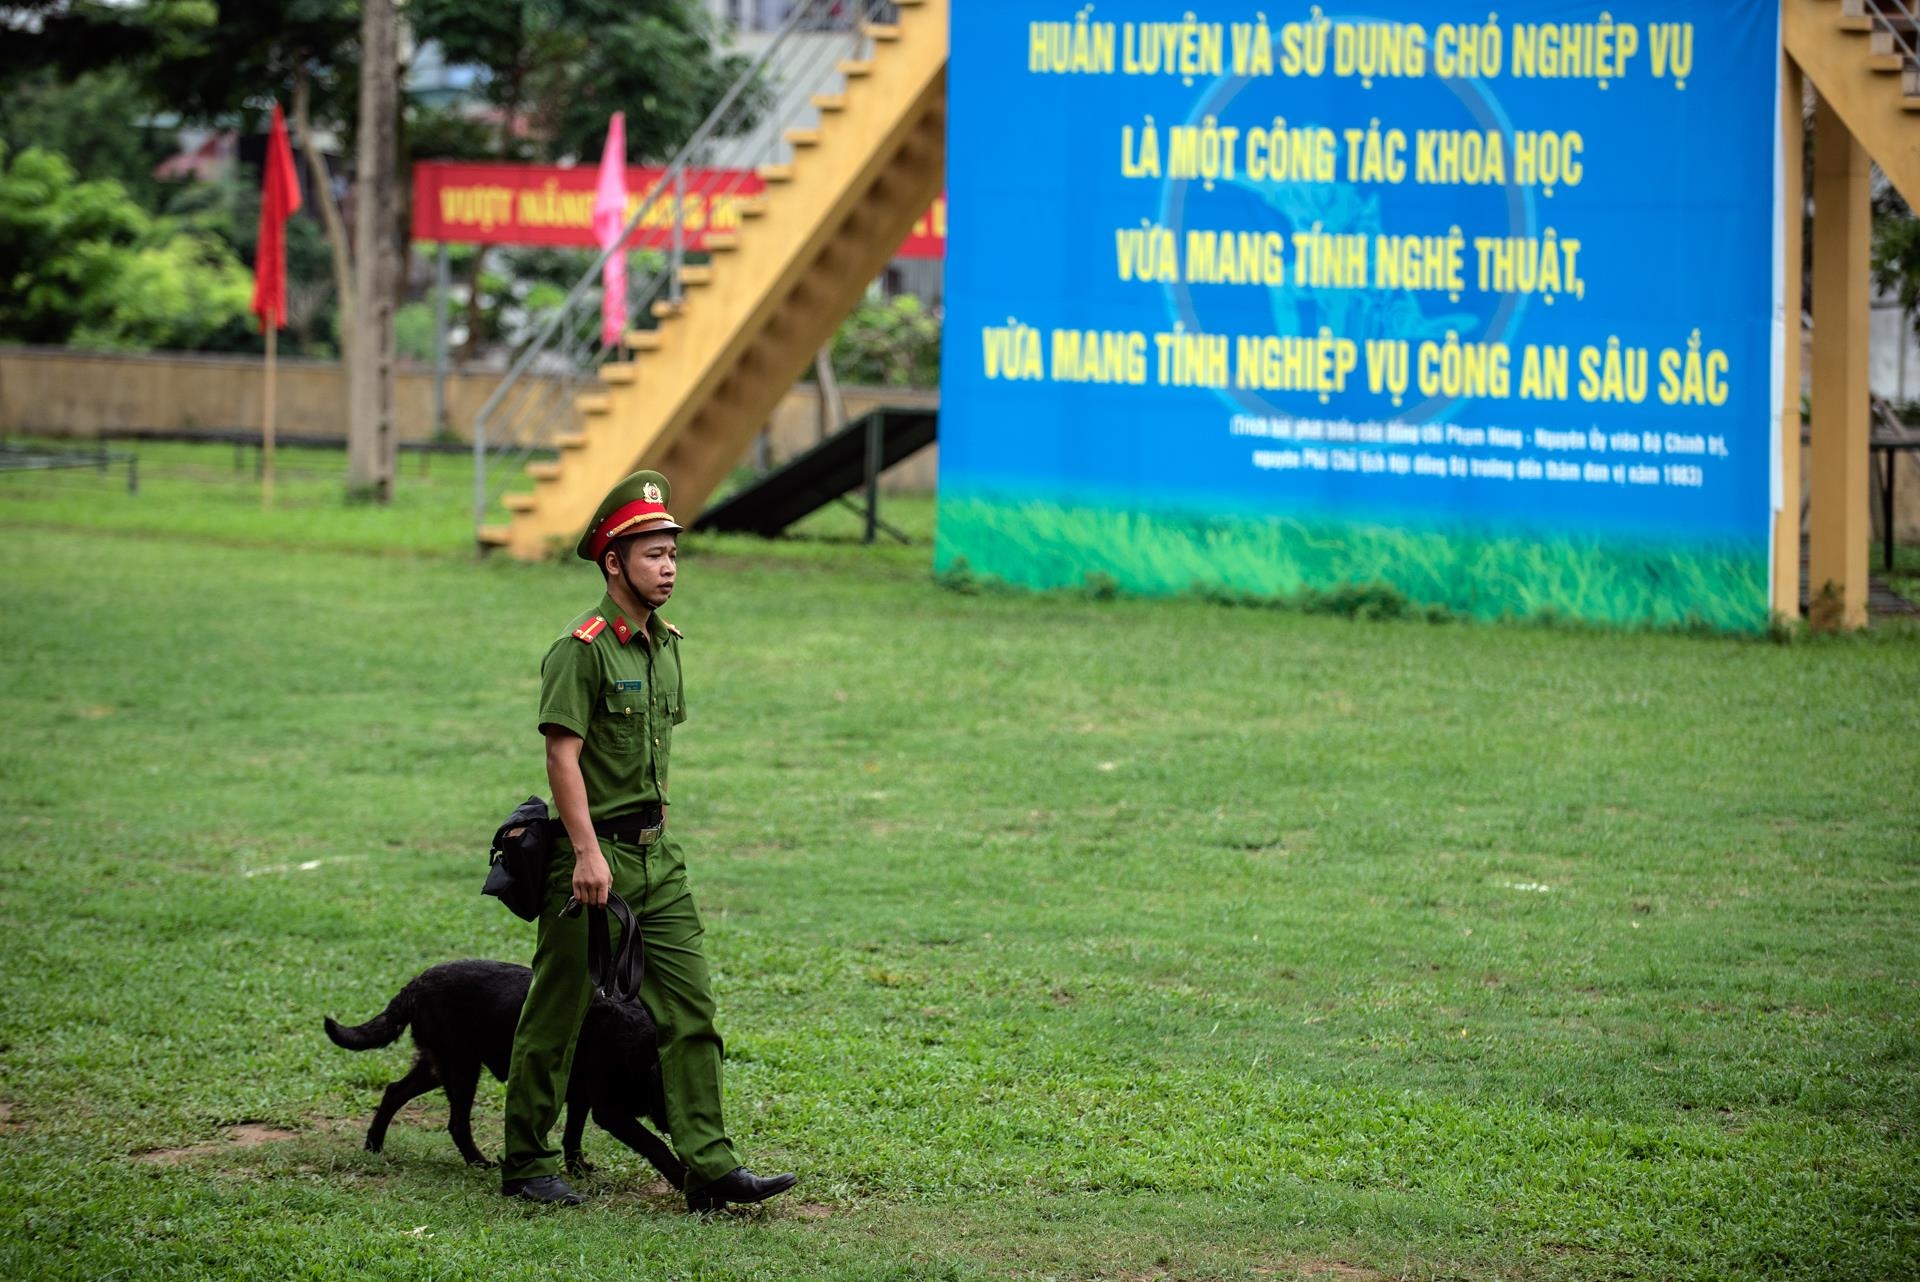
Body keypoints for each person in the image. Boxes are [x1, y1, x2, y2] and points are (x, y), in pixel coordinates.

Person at [499, 470, 796, 1211]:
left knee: (690, 1010)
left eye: (673, 554)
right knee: (559, 1009)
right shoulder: (583, 649)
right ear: (613, 563)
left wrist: (650, 835)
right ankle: (527, 1161)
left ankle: (710, 1166)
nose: (668, 567)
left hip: (657, 857)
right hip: (587, 857)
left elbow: (655, 753)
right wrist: (589, 855)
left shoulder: (664, 646)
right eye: (652, 554)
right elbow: (561, 755)